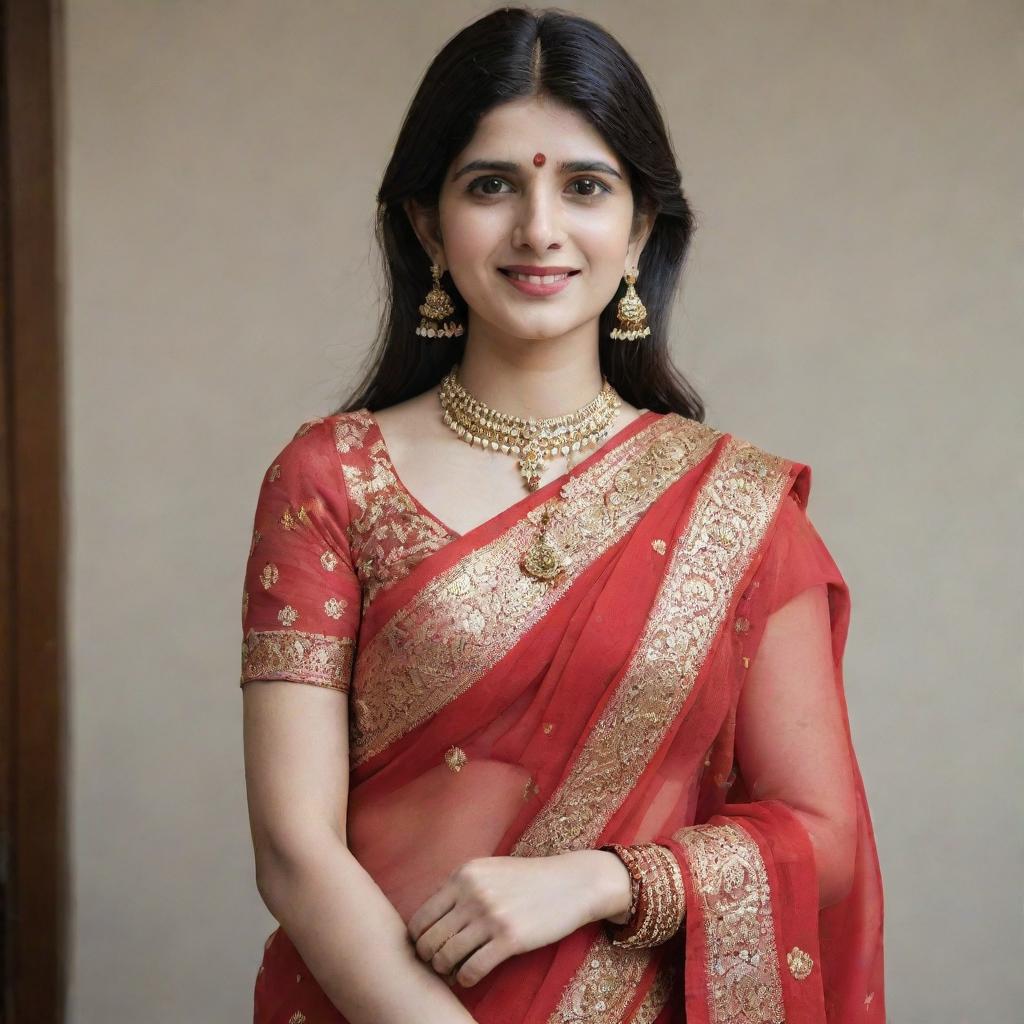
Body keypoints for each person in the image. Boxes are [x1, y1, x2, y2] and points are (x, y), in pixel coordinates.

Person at [238, 7, 885, 1022]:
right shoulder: (330, 478)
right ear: (425, 223)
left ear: (636, 230)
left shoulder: (738, 507)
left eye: (584, 187)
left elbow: (825, 836)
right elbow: (292, 849)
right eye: (491, 184)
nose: (538, 227)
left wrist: (601, 879)